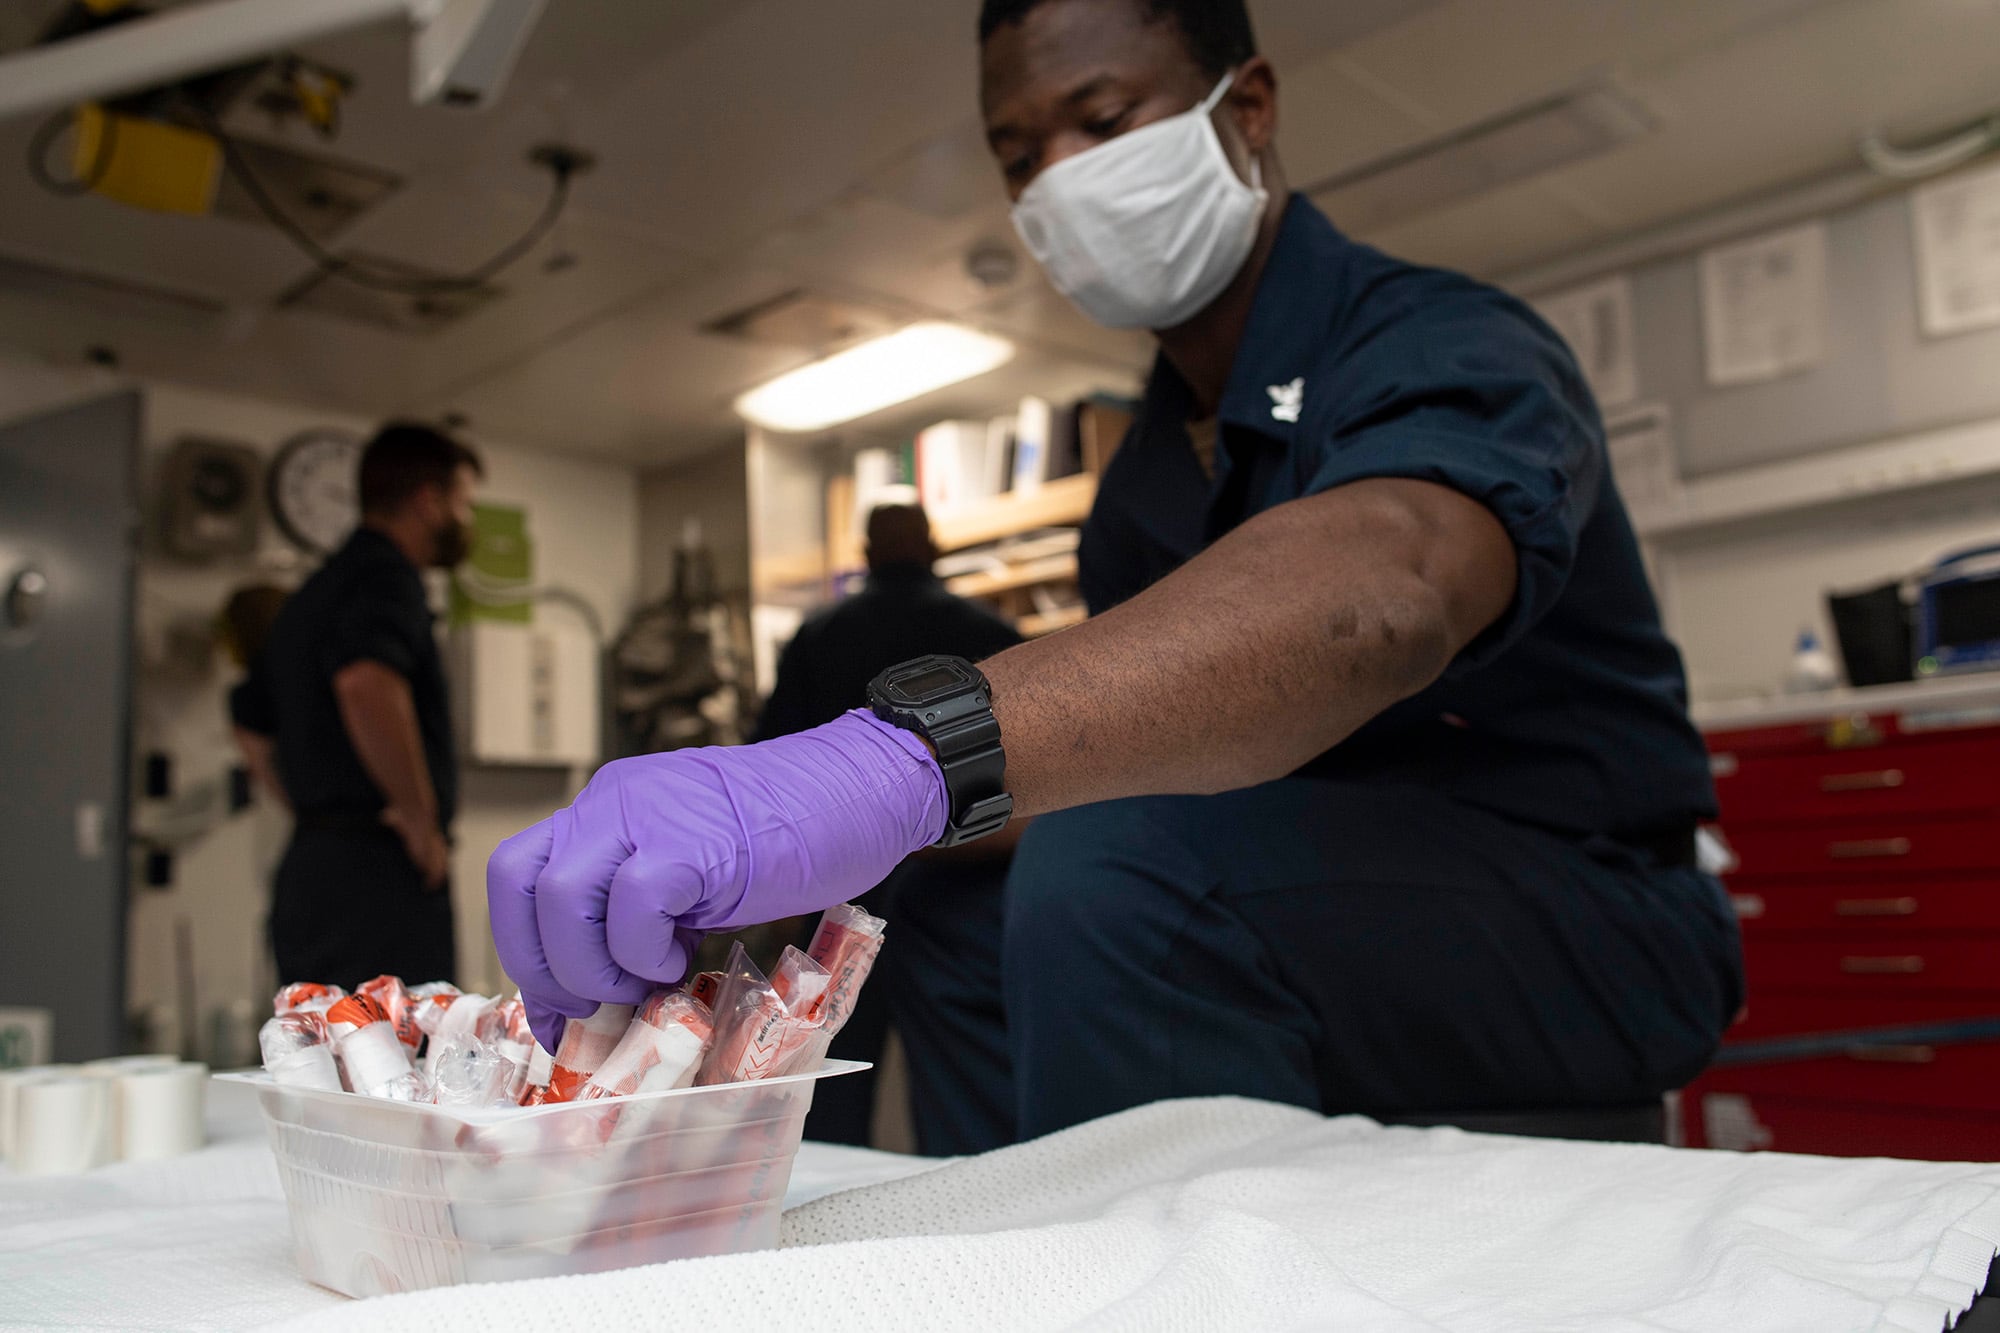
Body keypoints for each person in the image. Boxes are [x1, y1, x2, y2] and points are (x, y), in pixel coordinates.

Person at [488, 0, 1742, 1152]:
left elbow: (1388, 584)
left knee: (1115, 874)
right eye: (1019, 154)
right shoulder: (1142, 476)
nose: (1063, 179)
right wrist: (788, 863)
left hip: (1588, 911)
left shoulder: (1440, 338)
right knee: (982, 894)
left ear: (1243, 112)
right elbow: (1107, 764)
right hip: (1316, 895)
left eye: (1101, 121)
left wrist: (896, 759)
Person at [752, 503, 1023, 1148]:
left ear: (865, 553)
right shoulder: (990, 630)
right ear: (933, 546)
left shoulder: (818, 636)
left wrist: (778, 894)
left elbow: (773, 765)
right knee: (963, 1078)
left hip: (840, 882)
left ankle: (820, 1194)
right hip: (966, 876)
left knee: (825, 1067)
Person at [233, 422, 481, 991]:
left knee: (319, 1053)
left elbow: (250, 727)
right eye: (463, 504)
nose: (464, 521)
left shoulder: (310, 596)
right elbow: (366, 683)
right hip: (378, 872)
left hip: (315, 866)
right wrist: (418, 821)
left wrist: (313, 810)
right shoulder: (386, 576)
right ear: (428, 500)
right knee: (399, 1058)